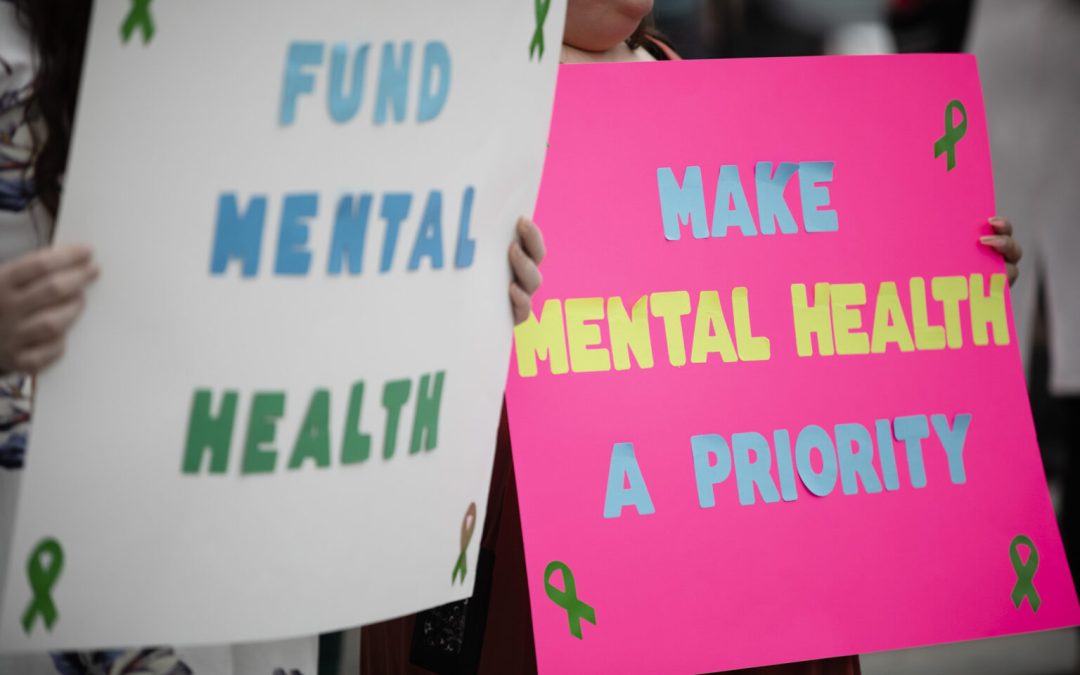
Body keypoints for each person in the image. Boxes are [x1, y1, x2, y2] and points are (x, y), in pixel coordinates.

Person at [362, 1, 1023, 674]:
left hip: (723, 551)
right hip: (535, 545)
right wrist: (470, 284)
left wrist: (949, 268)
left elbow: (808, 305)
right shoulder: (451, 103)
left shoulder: (693, 88)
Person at [0, 0, 545, 672]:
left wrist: (469, 290)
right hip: (41, 561)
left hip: (237, 559)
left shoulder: (252, 29)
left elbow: (338, 243)